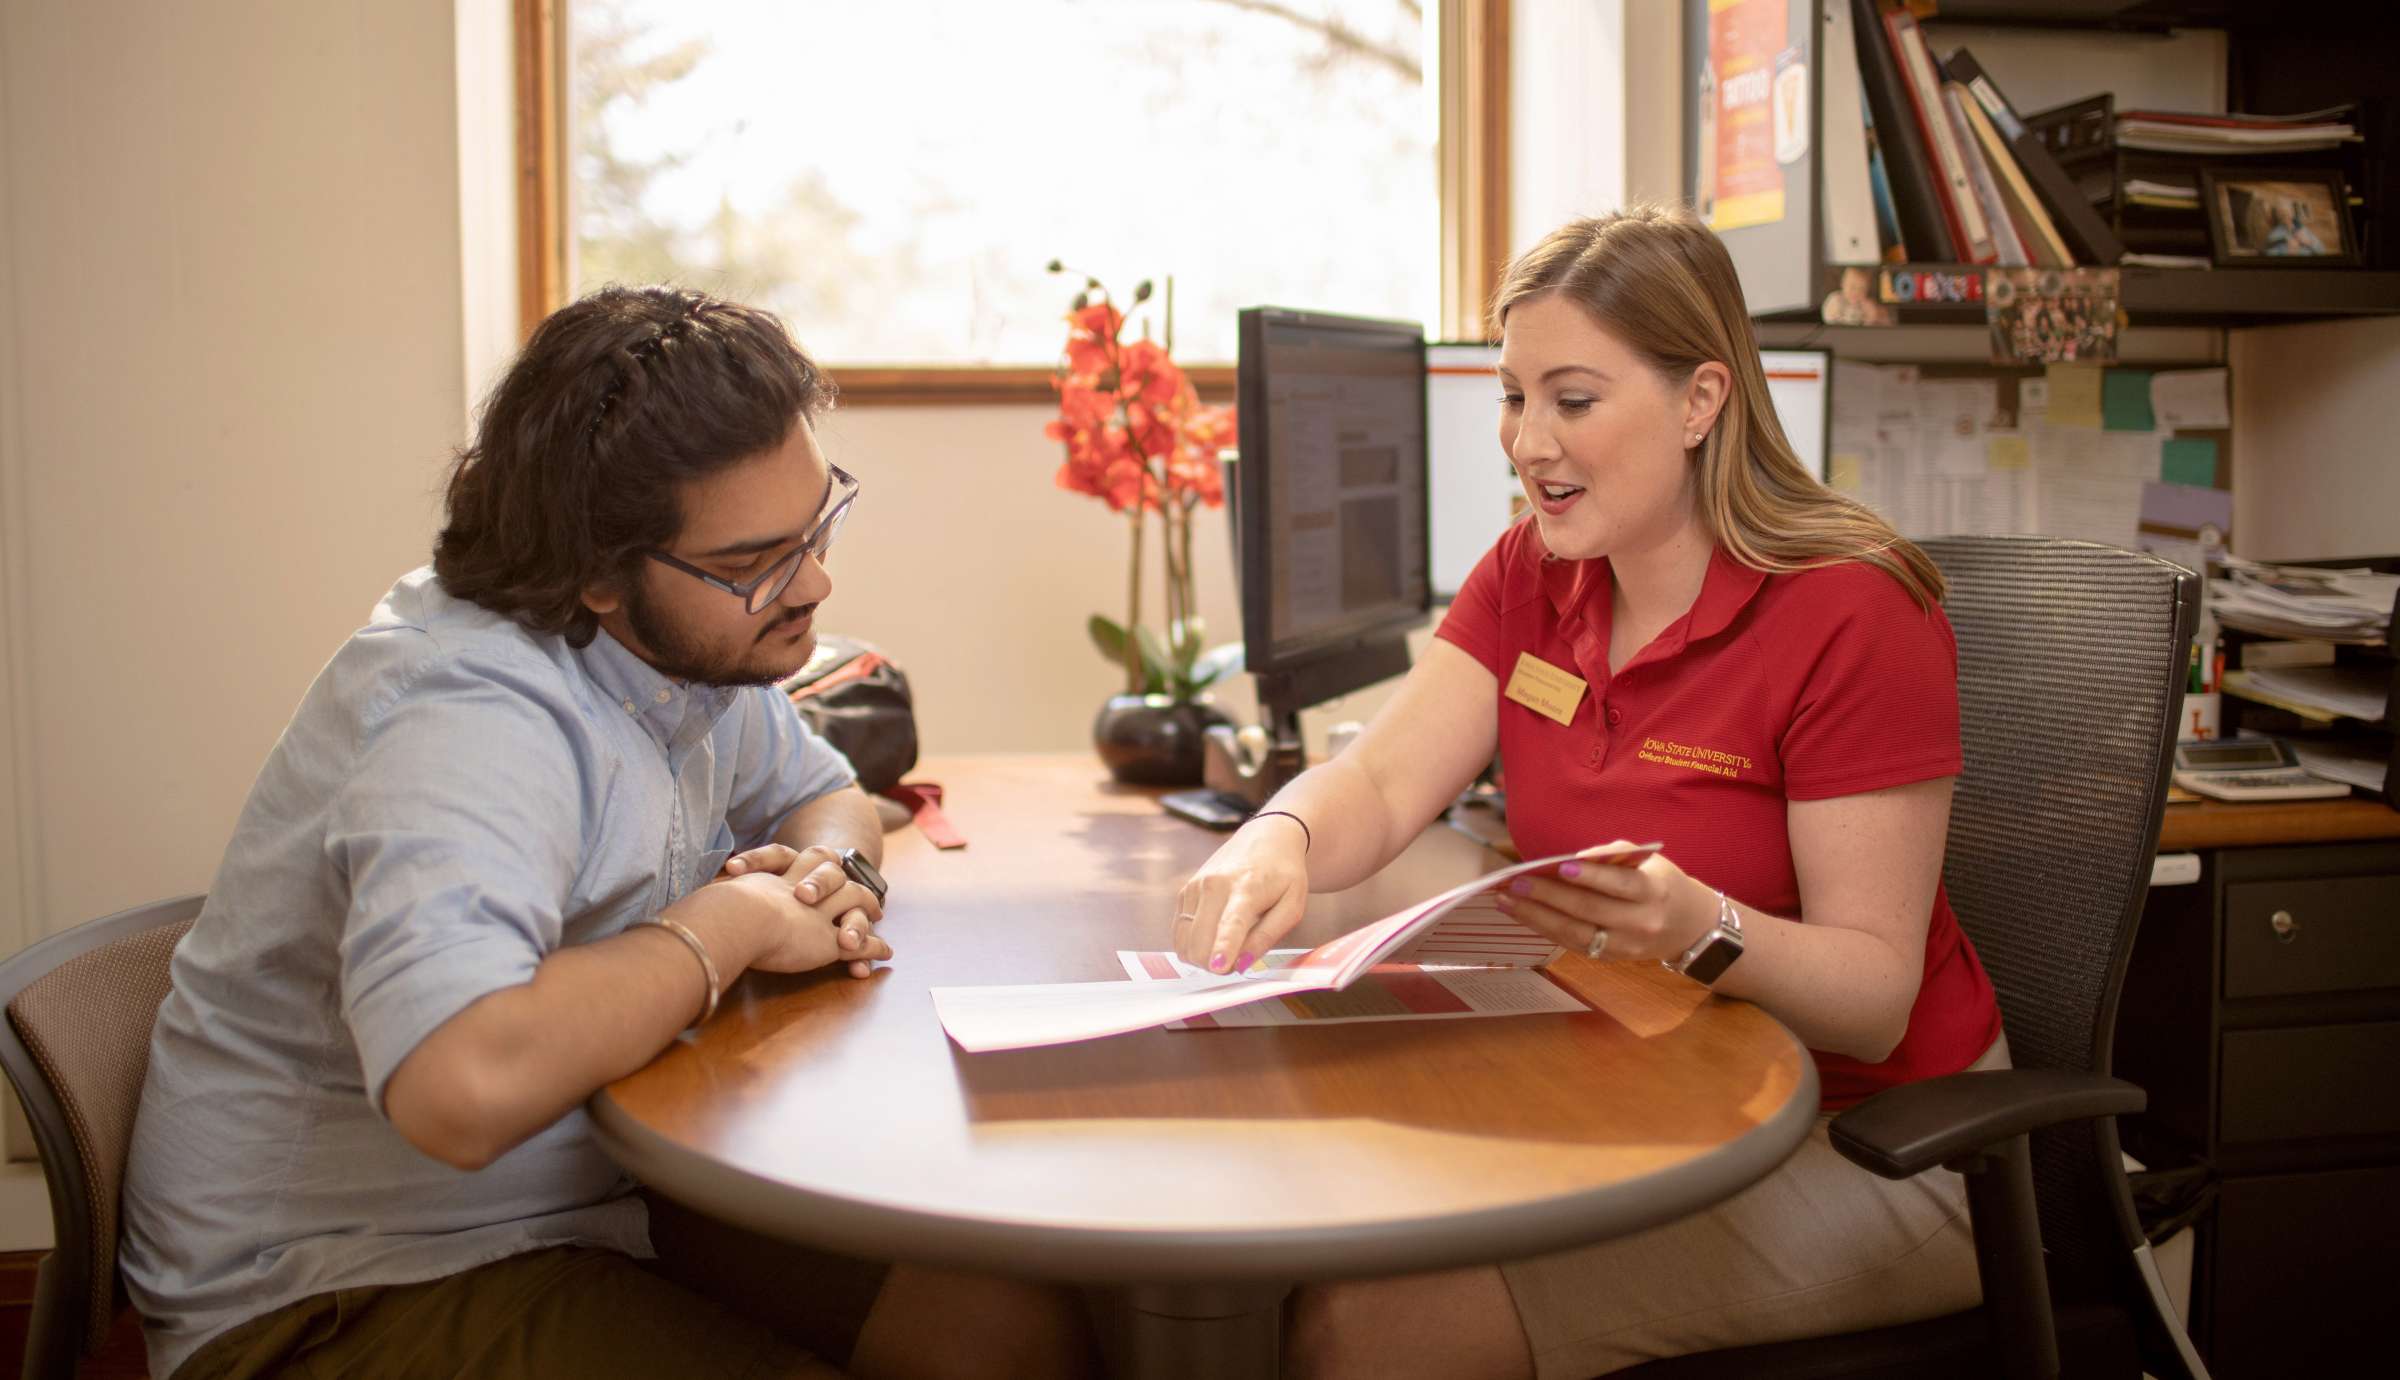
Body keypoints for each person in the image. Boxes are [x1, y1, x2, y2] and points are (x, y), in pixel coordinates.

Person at [121, 286, 1094, 1380]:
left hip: (588, 1210)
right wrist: (727, 924)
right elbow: (460, 1087)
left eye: (820, 523)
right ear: (596, 570)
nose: (816, 583)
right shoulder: (468, 714)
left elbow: (827, 789)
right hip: (337, 1289)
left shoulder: (687, 654)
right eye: (755, 563)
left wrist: (832, 873)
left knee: (997, 1290)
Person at [1171, 205, 2007, 1379]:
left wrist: (1695, 931)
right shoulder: (1536, 569)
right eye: (1514, 398)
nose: (1528, 442)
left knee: (1367, 1329)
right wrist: (1281, 835)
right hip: (1657, 1095)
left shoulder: (1854, 611)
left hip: (1875, 1146)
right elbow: (1380, 773)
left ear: (1701, 401)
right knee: (1287, 1234)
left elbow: (1873, 995)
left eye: (1572, 400)